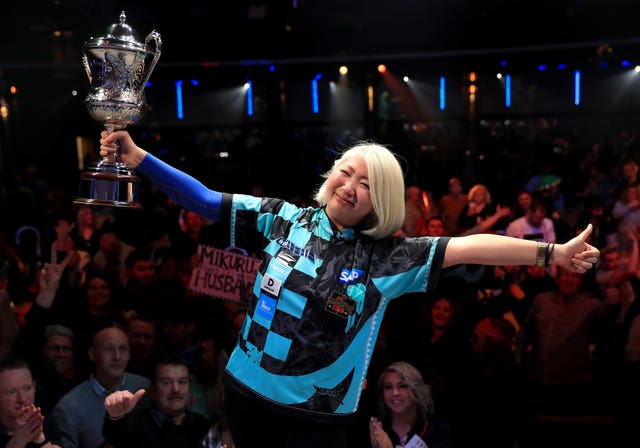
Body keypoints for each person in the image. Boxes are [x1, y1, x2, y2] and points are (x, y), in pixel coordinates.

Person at [99, 130, 599, 448]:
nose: (349, 185)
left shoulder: (387, 258)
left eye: (366, 183)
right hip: (246, 399)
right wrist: (140, 157)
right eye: (346, 171)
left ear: (378, 201)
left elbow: (467, 248)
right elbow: (206, 200)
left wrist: (552, 254)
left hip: (318, 423)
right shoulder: (282, 219)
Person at [48, 326, 150, 448]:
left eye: (123, 349)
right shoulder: (69, 407)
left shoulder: (144, 387)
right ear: (92, 354)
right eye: (108, 349)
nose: (117, 356)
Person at [102, 355, 215, 448]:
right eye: (166, 382)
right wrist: (115, 416)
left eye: (182, 382)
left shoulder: (200, 425)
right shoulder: (136, 424)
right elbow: (114, 436)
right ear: (152, 389)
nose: (175, 389)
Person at [369, 361, 449, 448]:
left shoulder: (436, 428)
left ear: (416, 390)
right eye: (388, 387)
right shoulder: (376, 431)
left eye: (402, 386)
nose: (395, 393)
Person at [0, 359, 60, 448]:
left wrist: (41, 440)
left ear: (34, 387)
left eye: (27, 388)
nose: (22, 399)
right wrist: (18, 441)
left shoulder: (46, 423)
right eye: (12, 392)